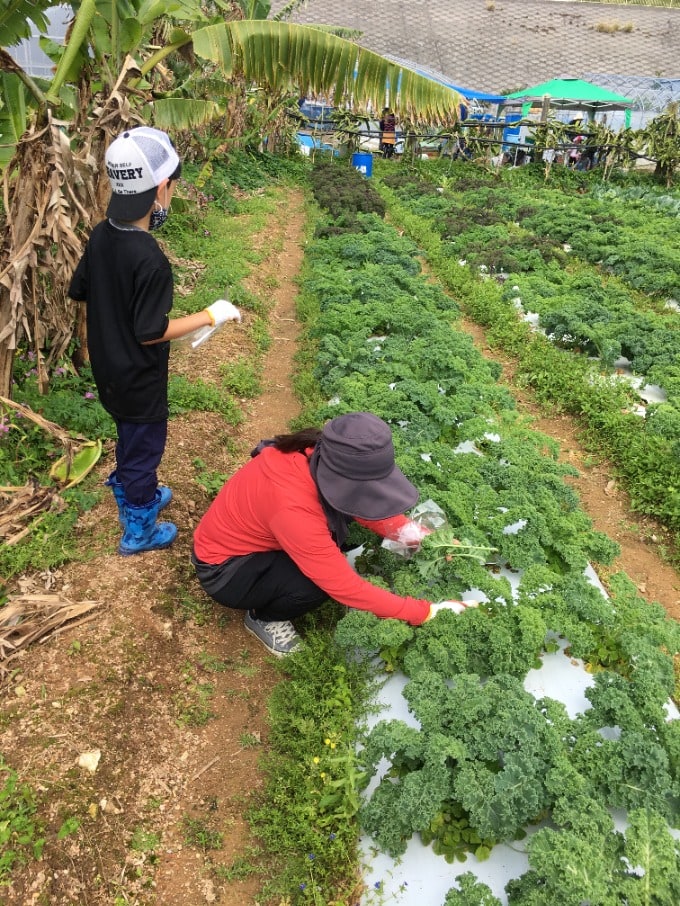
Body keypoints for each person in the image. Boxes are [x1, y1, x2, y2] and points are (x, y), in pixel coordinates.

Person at [69, 126, 241, 556]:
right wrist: (209, 315)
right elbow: (150, 333)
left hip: (108, 371)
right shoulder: (150, 260)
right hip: (139, 381)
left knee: (129, 437)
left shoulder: (101, 235)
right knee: (144, 450)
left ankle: (133, 492)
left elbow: (81, 291)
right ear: (162, 187)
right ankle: (139, 525)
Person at [192, 412, 473, 656]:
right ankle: (263, 617)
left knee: (331, 545)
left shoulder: (317, 453)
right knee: (316, 586)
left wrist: (423, 539)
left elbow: (362, 502)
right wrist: (425, 612)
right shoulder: (292, 508)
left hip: (255, 540)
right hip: (225, 570)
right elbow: (345, 587)